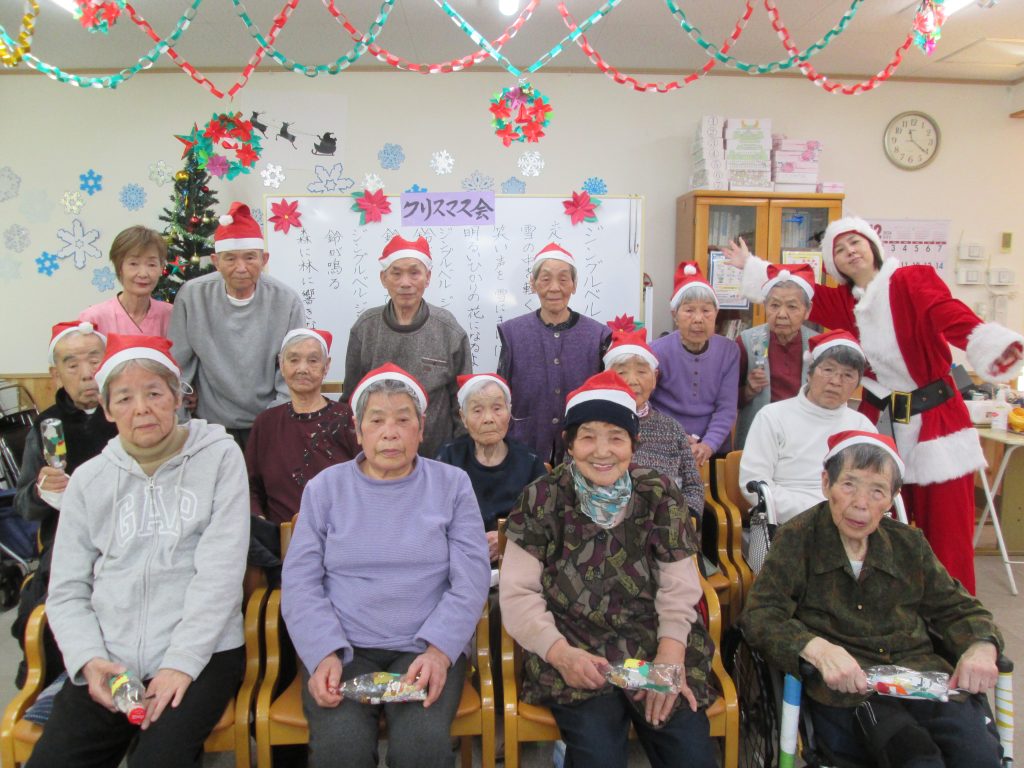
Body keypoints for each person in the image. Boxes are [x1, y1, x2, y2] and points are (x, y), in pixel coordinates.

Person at [724, 217, 1024, 593]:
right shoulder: (842, 303)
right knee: (885, 533)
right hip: (882, 423)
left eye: (855, 242)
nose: (849, 251)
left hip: (935, 428)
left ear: (873, 246)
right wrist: (754, 267)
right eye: (839, 248)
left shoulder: (911, 280)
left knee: (947, 536)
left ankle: (955, 616)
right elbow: (797, 289)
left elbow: (948, 312)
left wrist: (987, 342)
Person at [27, 334, 249, 768]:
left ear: (177, 398)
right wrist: (89, 661)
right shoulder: (89, 480)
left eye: (154, 393)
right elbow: (67, 590)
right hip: (110, 654)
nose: (142, 408)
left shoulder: (220, 458)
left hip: (203, 652)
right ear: (108, 409)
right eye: (125, 398)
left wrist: (180, 663)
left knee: (158, 760)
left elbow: (219, 575)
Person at [741, 431, 1005, 768]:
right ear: (826, 483)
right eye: (849, 485)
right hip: (851, 691)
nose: (861, 503)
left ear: (892, 498)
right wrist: (817, 649)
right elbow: (761, 614)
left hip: (923, 679)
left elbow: (958, 607)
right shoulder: (798, 539)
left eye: (877, 491)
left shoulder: (908, 543)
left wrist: (981, 646)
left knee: (979, 758)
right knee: (917, 760)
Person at [500, 370, 717, 768]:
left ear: (634, 444)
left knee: (691, 755)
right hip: (574, 649)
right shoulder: (541, 498)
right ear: (569, 444)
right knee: (598, 756)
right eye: (588, 437)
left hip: (653, 646)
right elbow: (517, 594)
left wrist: (670, 654)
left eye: (616, 437)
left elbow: (679, 584)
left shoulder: (659, 493)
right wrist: (560, 654)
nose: (602, 451)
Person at [282, 363, 490, 768]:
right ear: (358, 431)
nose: (390, 433)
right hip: (343, 649)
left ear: (421, 428)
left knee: (421, 748)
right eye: (377, 421)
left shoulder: (452, 485)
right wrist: (322, 652)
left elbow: (471, 579)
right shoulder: (325, 489)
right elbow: (300, 582)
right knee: (340, 749)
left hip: (423, 648)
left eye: (403, 420)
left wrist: (439, 651)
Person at [13, 321, 117, 687]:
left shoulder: (129, 413)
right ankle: (53, 687)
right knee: (43, 607)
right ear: (56, 375)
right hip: (66, 542)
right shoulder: (47, 427)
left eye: (94, 360)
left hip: (129, 535)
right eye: (73, 364)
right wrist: (42, 490)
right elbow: (23, 506)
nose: (87, 373)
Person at [168, 201, 303, 449]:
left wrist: (273, 423)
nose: (241, 268)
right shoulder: (192, 296)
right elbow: (178, 366)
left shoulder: (286, 301)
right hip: (208, 425)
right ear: (215, 261)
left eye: (250, 257)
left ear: (264, 259)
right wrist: (182, 425)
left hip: (269, 423)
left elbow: (292, 368)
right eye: (230, 258)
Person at [245, 328, 358, 584]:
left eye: (313, 360)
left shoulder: (347, 419)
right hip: (281, 549)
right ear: (281, 365)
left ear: (326, 367)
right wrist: (260, 521)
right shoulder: (266, 423)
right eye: (294, 359)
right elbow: (251, 485)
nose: (302, 368)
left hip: (342, 544)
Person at [344, 235, 472, 457]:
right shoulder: (365, 327)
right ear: (383, 278)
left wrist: (458, 454)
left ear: (428, 277)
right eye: (396, 273)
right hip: (379, 454)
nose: (405, 283)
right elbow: (351, 397)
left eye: (414, 273)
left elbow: (462, 401)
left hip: (437, 455)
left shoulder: (448, 328)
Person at [740, 330, 876, 524]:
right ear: (810, 374)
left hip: (847, 521)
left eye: (847, 375)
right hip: (781, 522)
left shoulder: (862, 427)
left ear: (857, 384)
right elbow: (753, 483)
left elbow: (874, 485)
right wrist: (816, 516)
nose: (836, 382)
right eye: (828, 370)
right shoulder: (772, 416)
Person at [497, 242, 611, 465]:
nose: (554, 288)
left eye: (563, 279)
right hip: (525, 448)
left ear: (574, 285)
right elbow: (502, 395)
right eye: (546, 279)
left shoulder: (598, 335)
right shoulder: (513, 333)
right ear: (533, 283)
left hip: (583, 451)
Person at [436, 373, 547, 562]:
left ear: (509, 411)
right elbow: (433, 516)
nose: (488, 418)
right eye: (477, 410)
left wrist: (507, 536)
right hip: (459, 559)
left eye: (497, 408)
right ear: (463, 417)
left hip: (515, 561)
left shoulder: (529, 461)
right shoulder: (448, 457)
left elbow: (545, 517)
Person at [602, 328, 704, 518]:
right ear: (607, 378)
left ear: (655, 378)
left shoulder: (671, 429)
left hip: (665, 524)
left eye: (641, 372)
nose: (632, 381)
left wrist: (682, 519)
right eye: (621, 372)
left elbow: (693, 487)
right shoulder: (591, 427)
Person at [649, 262, 739, 467]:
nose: (698, 319)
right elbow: (646, 404)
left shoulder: (729, 351)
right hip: (666, 445)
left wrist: (708, 445)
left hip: (714, 448)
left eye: (706, 310)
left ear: (716, 313)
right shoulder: (656, 351)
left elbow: (726, 408)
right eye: (689, 310)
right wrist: (675, 437)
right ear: (675, 315)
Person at [734, 263, 816, 449]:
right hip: (758, 437)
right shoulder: (748, 341)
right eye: (774, 305)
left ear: (808, 310)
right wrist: (749, 390)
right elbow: (727, 399)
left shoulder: (817, 346)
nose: (781, 314)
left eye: (792, 306)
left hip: (805, 438)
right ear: (765, 306)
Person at [78, 225, 173, 337]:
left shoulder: (171, 315)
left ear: (161, 268)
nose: (143, 274)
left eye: (151, 265)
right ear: (119, 267)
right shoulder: (93, 318)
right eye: (133, 264)